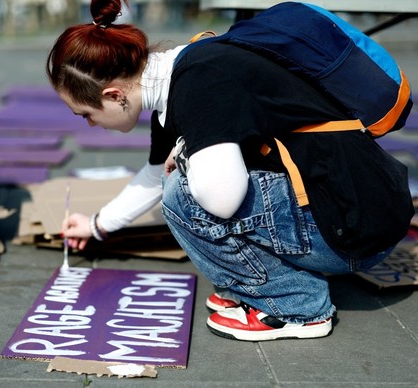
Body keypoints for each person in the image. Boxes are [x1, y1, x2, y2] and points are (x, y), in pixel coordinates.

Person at [46, 0, 401, 341]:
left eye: (86, 114)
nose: (91, 125)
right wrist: (96, 225)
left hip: (354, 229)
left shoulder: (199, 82)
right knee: (178, 179)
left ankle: (297, 305)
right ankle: (258, 284)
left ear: (113, 94)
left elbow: (222, 199)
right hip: (355, 203)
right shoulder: (174, 77)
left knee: (182, 195)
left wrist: (183, 157)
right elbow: (154, 173)